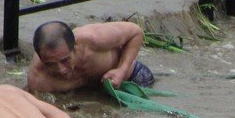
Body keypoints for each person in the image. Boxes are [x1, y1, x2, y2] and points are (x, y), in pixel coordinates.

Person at [26, 20, 154, 94]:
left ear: (75, 45)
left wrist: (122, 70)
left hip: (132, 78)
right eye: (50, 64)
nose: (61, 70)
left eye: (65, 60)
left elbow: (136, 32)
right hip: (91, 94)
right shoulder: (38, 80)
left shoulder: (93, 38)